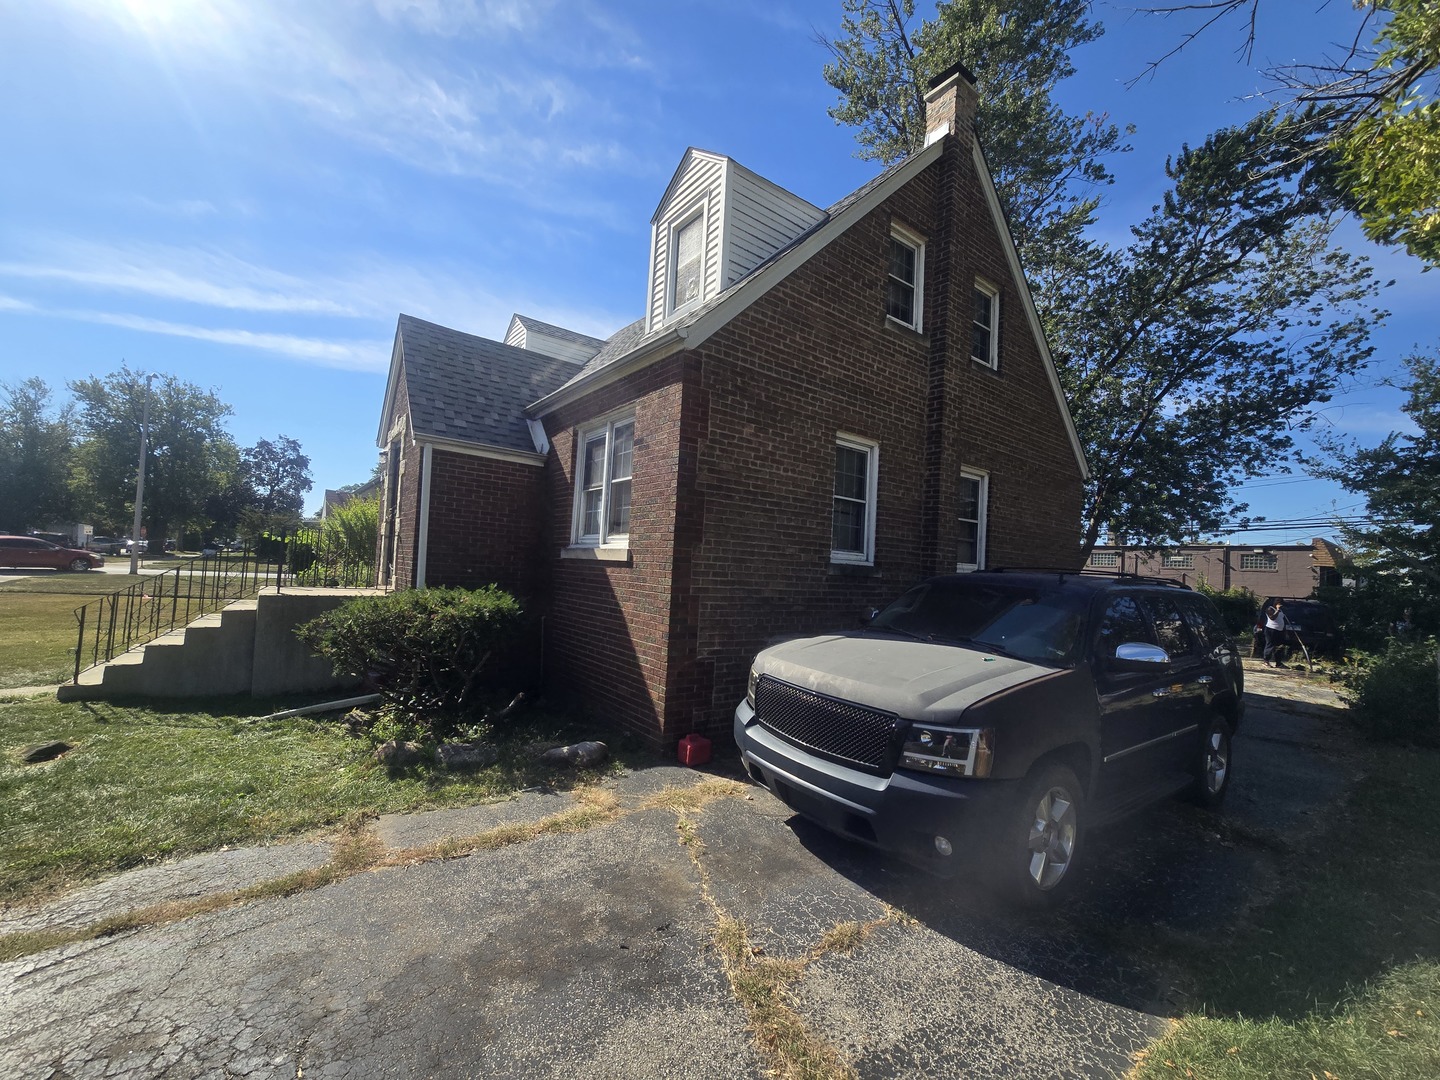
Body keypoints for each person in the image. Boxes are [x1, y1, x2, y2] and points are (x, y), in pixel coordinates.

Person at [1263, 598, 1289, 667]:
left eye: (1280, 602)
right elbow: (1272, 617)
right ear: (1274, 602)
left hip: (1280, 630)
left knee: (1279, 646)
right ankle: (1266, 661)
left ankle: (1278, 662)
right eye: (1278, 601)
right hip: (1271, 630)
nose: (1279, 603)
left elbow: (1282, 620)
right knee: (1270, 645)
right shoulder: (1270, 609)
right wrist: (1277, 610)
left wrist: (1285, 631)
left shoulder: (1281, 611)